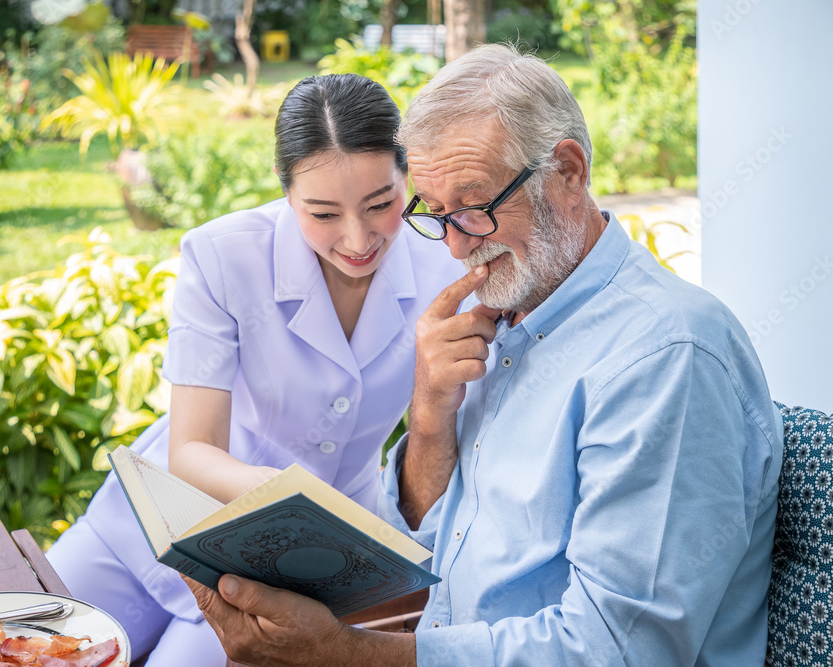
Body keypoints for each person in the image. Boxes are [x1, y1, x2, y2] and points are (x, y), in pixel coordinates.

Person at [183, 44, 783, 666]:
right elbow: (419, 543)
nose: (454, 246)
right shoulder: (513, 310)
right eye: (434, 214)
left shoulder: (664, 357)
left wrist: (346, 654)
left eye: (474, 209)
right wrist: (429, 415)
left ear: (569, 172)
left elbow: (618, 651)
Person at [46, 73, 461, 665]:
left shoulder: (444, 269)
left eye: (381, 204)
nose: (357, 239)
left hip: (288, 579)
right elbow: (190, 450)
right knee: (27, 651)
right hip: (152, 524)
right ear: (286, 193)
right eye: (322, 213)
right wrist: (306, 508)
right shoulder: (222, 255)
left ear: (407, 177)